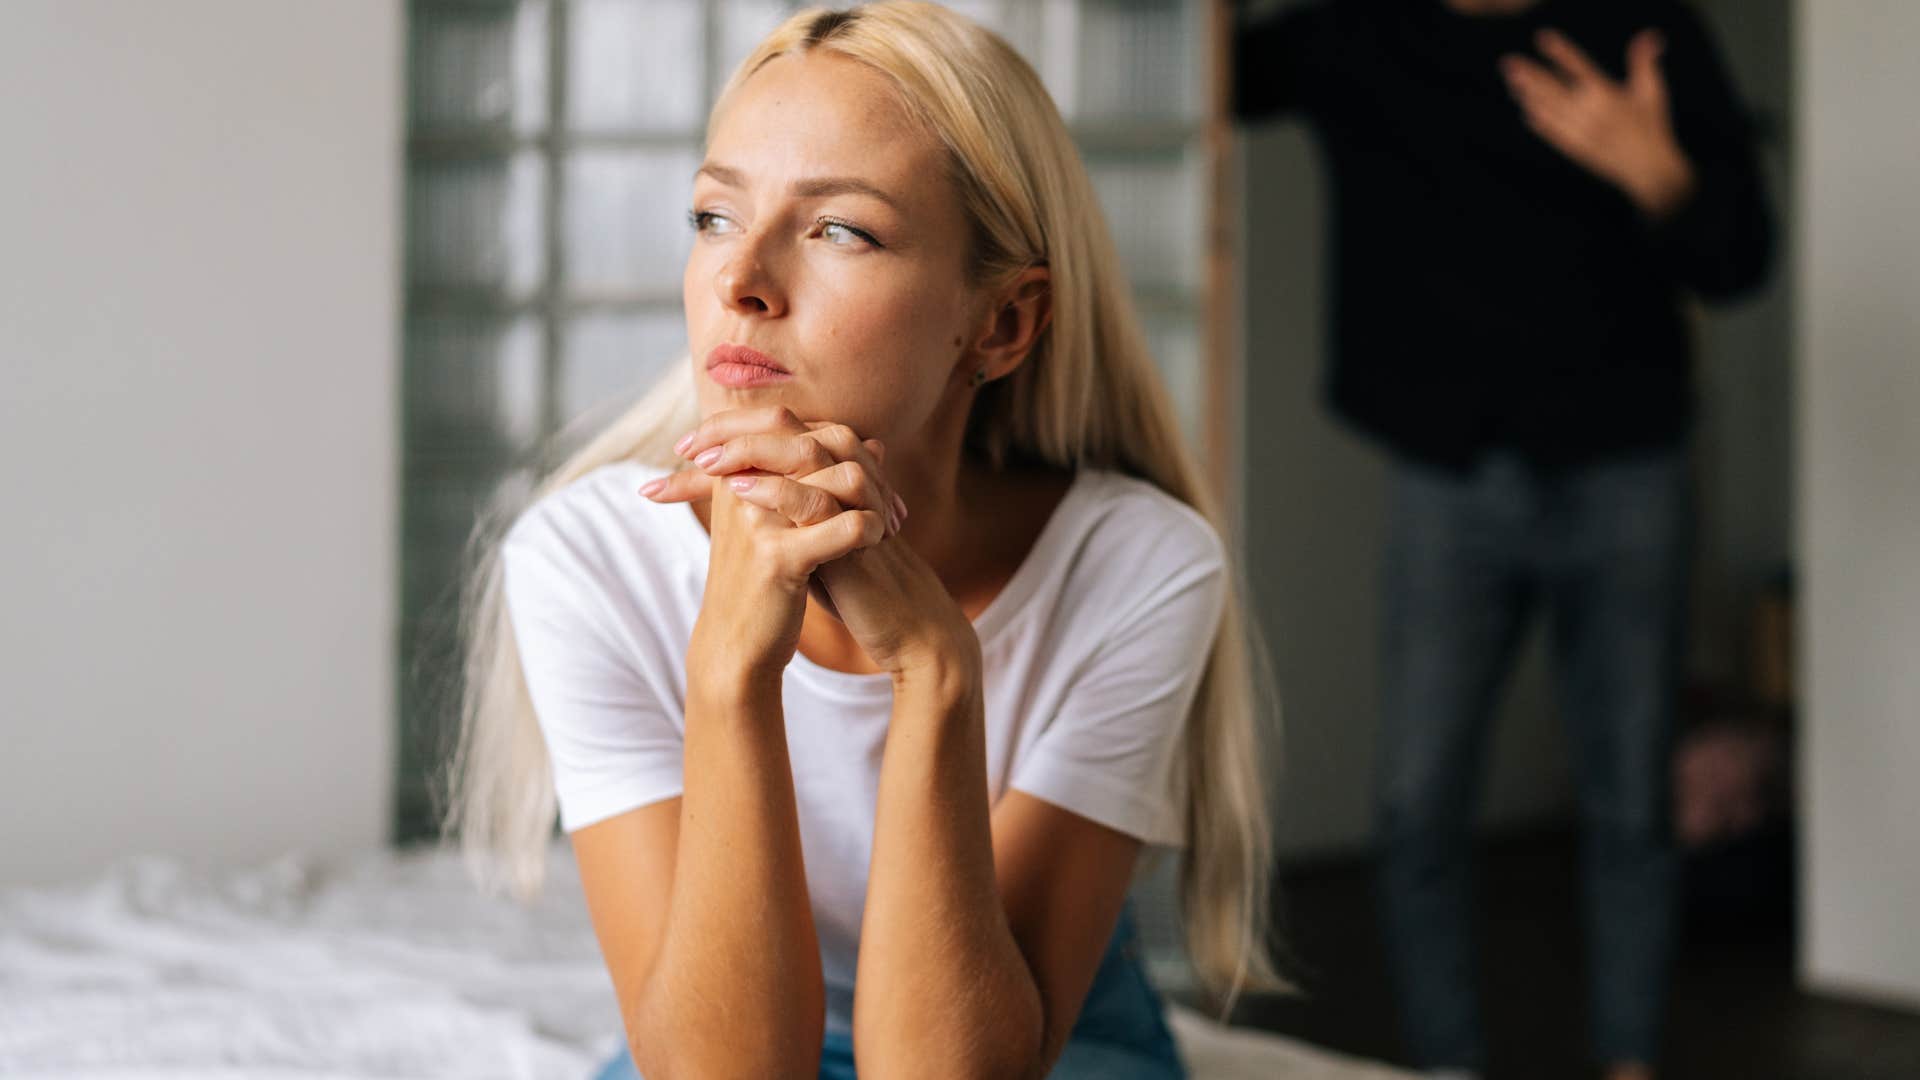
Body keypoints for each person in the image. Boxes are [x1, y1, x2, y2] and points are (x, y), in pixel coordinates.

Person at [445, 4, 1288, 1078]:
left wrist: (936, 673)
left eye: (840, 228)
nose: (739, 278)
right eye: (712, 215)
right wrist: (729, 672)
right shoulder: (587, 558)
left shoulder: (1135, 567)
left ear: (1001, 324)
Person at [1231, 1, 1774, 1078]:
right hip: (1450, 482)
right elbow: (1204, 75)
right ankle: (1448, 1066)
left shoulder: (1645, 27)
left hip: (1631, 470)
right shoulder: (1359, 34)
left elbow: (1742, 259)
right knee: (1416, 804)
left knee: (1630, 800)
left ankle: (1630, 1063)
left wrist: (1657, 173)